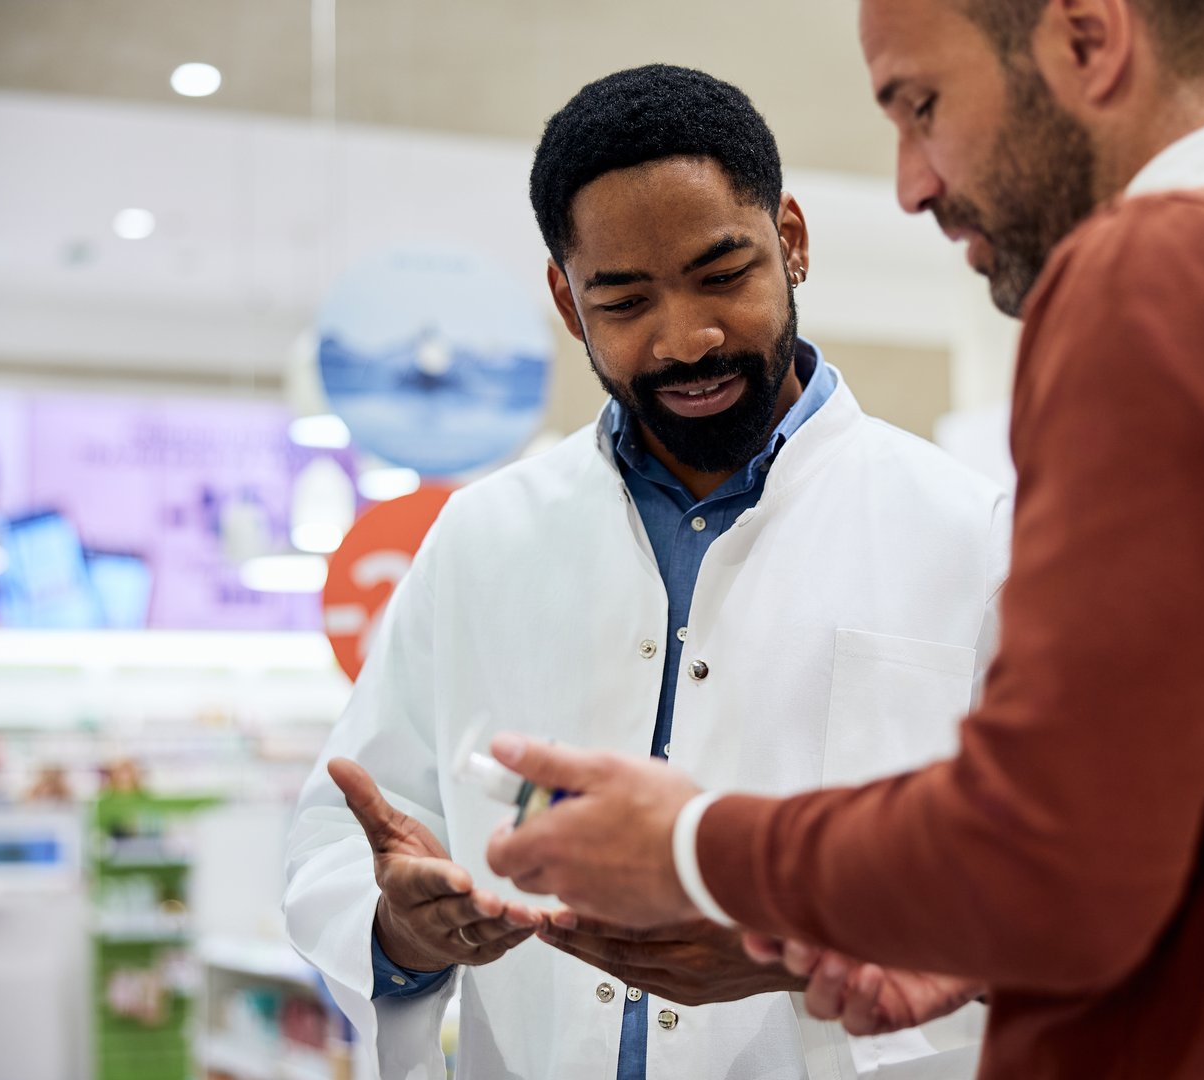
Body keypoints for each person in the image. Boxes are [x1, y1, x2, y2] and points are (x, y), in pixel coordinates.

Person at [481, 1, 1204, 1077]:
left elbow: (1054, 845)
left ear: (1088, 41)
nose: (912, 183)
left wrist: (684, 844)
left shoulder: (1162, 271)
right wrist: (975, 940)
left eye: (923, 105)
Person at [284, 64, 1009, 1079]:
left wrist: (789, 947)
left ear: (791, 240)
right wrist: (405, 930)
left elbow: (1053, 888)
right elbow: (340, 840)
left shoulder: (973, 535)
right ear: (566, 301)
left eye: (725, 276)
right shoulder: (481, 540)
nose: (687, 339)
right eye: (623, 299)